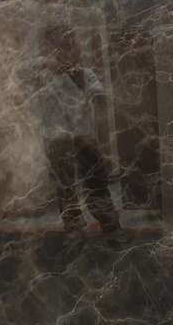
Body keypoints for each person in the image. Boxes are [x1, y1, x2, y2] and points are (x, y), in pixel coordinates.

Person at [38, 27, 120, 234]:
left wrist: (82, 83)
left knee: (96, 183)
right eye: (61, 47)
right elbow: (19, 73)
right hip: (56, 140)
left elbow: (100, 96)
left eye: (71, 46)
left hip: (84, 138)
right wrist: (46, 63)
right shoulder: (41, 76)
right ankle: (75, 230)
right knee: (66, 189)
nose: (68, 52)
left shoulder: (84, 74)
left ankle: (111, 227)